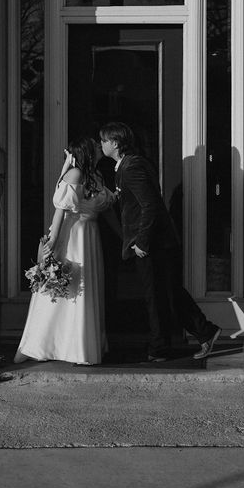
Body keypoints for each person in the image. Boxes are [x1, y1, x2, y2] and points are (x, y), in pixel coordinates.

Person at [99, 121, 221, 362]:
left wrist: (142, 242)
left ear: (115, 143)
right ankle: (197, 334)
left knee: (156, 296)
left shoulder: (132, 167)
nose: (101, 144)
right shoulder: (130, 164)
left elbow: (150, 205)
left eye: (104, 140)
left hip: (154, 244)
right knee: (167, 292)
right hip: (157, 242)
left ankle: (165, 345)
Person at [15, 137, 116, 365]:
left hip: (90, 236)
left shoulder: (96, 176)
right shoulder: (75, 174)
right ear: (87, 152)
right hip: (73, 237)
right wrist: (52, 242)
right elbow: (60, 210)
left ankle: (78, 346)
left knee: (84, 288)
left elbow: (106, 209)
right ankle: (40, 345)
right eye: (95, 145)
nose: (99, 147)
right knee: (66, 288)